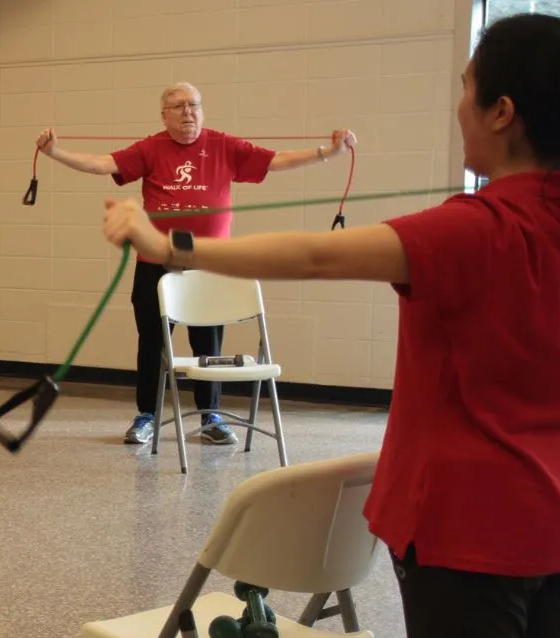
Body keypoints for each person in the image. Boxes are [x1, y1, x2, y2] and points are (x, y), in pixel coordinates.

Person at [99, 14, 560, 638]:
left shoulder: (471, 229)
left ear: (502, 112)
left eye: (466, 88)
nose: (458, 105)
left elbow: (313, 256)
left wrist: (167, 247)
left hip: (467, 535)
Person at [37, 84, 356, 447]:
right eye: (178, 106)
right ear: (164, 114)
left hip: (208, 263)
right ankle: (147, 416)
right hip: (156, 263)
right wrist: (55, 152)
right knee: (153, 342)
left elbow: (276, 160)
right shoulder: (150, 148)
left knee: (209, 344)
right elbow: (101, 164)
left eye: (194, 105)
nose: (188, 112)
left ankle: (211, 416)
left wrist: (327, 153)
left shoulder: (223, 145)